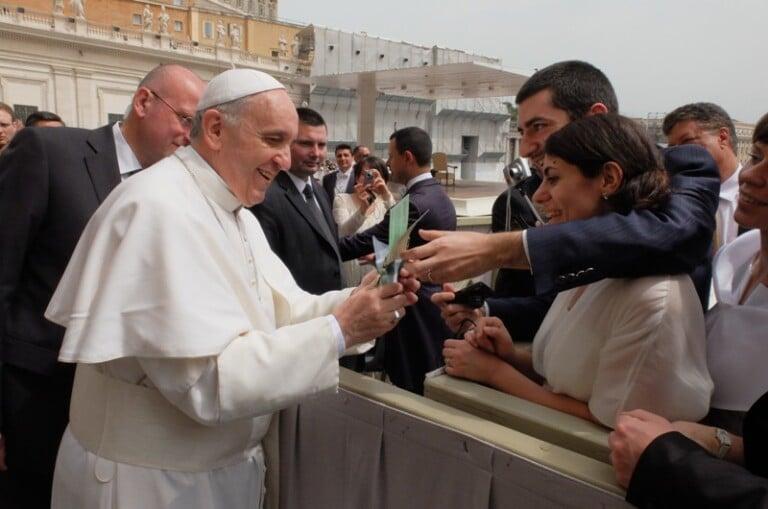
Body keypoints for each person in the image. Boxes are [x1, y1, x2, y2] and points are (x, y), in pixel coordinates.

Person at [45, 68, 418, 509]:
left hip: (216, 478)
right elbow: (208, 383)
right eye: (274, 139)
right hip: (150, 486)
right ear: (217, 129)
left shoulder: (234, 210)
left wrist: (360, 301)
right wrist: (340, 330)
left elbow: (283, 313)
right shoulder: (158, 209)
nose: (285, 159)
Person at [0, 63, 204, 509]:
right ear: (144, 102)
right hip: (37, 399)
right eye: (186, 119)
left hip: (125, 425)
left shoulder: (182, 191)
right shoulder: (49, 152)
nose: (190, 136)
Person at [409, 61, 718, 344]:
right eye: (522, 131)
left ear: (595, 118)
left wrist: (498, 249)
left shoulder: (684, 166)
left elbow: (678, 233)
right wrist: (483, 310)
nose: (528, 147)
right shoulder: (540, 191)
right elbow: (568, 306)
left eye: (540, 126)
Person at [442, 115, 713, 427]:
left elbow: (608, 423)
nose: (539, 195)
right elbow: (564, 377)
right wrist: (507, 355)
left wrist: (493, 372)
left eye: (553, 178)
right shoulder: (591, 266)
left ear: (608, 179)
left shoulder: (652, 298)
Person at [609, 113, 768, 507]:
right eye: (758, 157)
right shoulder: (737, 257)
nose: (750, 176)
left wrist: (670, 463)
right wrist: (713, 441)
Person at [339, 127, 456, 394]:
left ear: (407, 157)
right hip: (434, 305)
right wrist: (380, 257)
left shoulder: (412, 204)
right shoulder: (441, 197)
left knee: (410, 385)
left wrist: (324, 248)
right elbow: (401, 251)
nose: (388, 164)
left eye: (391, 157)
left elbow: (367, 241)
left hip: (413, 313)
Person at [250, 107, 342, 296]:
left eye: (322, 145)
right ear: (286, 144)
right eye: (306, 144)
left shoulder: (318, 189)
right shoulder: (265, 198)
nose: (316, 153)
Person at [664, 102, 744, 251]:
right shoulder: (669, 199)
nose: (678, 153)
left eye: (687, 142)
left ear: (722, 138)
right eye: (672, 148)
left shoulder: (757, 197)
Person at [333, 156, 396, 286]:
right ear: (356, 178)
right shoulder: (342, 199)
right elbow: (343, 232)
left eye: (375, 175)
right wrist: (363, 209)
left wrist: (386, 194)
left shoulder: (385, 202)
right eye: (365, 175)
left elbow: (398, 227)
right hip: (352, 267)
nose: (370, 180)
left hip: (378, 266)